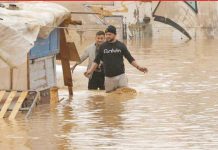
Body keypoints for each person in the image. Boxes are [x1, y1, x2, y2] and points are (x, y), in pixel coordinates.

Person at [85, 25, 148, 93]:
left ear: (115, 34)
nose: (107, 36)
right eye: (106, 34)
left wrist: (138, 67)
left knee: (123, 97)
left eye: (109, 34)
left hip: (121, 76)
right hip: (108, 78)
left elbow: (130, 58)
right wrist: (90, 71)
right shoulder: (103, 46)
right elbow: (96, 61)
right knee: (110, 99)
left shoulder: (121, 45)